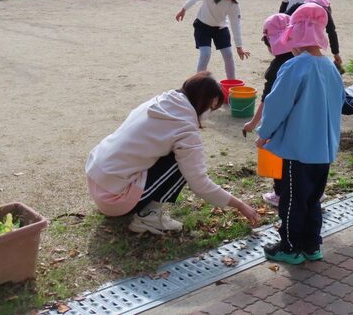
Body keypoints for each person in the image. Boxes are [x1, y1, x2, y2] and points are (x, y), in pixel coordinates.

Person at [85, 72, 260, 235]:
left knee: (174, 153)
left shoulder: (160, 101)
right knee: (182, 162)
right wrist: (240, 205)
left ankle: (142, 207)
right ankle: (148, 217)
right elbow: (199, 183)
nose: (210, 114)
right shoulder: (185, 129)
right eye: (212, 108)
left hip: (97, 181)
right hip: (114, 199)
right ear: (206, 102)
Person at [255, 3, 345, 265]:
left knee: (292, 200)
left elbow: (276, 104)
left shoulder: (294, 67)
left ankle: (290, 246)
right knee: (313, 200)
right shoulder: (330, 68)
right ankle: (311, 245)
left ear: (296, 37)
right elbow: (338, 102)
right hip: (324, 150)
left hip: (298, 150)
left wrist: (265, 132)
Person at [242, 13, 295, 207]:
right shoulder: (304, 58)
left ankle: (280, 194)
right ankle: (313, 192)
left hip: (281, 123)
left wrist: (256, 126)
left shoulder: (277, 67)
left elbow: (268, 100)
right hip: (303, 121)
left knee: (276, 154)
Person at [175, 0, 251, 77]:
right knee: (205, 54)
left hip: (220, 29)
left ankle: (231, 83)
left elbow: (235, 24)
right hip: (202, 27)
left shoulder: (233, 5)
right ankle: (199, 82)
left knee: (228, 55)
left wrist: (239, 47)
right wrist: (183, 9)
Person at [286, 0, 343, 71]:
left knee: (298, 59)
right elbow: (331, 32)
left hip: (296, 39)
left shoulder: (298, 6)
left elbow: (282, 18)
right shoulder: (325, 11)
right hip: (314, 43)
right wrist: (336, 53)